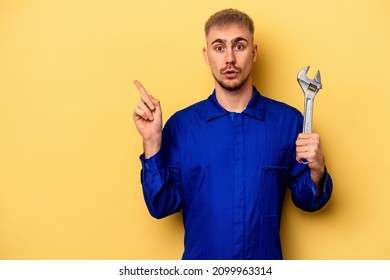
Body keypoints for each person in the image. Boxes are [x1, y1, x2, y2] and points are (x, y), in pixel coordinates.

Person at [132, 8, 332, 260]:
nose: (229, 59)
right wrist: (151, 142)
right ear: (206, 55)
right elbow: (161, 205)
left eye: (239, 46)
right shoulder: (182, 126)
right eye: (218, 47)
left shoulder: (289, 121)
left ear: (254, 52)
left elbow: (309, 201)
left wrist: (317, 168)